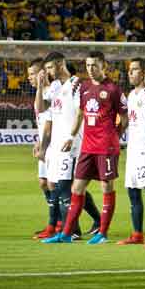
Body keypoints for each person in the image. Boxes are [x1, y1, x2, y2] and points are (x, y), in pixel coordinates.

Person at [62, 51, 127, 245]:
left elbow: (125, 119)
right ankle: (66, 234)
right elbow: (81, 114)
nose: (90, 69)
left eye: (94, 66)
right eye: (88, 65)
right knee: (77, 187)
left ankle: (103, 233)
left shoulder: (114, 89)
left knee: (106, 187)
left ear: (103, 66)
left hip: (106, 147)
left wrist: (114, 136)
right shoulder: (85, 87)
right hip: (87, 147)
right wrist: (71, 137)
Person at [39, 52, 100, 243]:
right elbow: (40, 108)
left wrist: (72, 137)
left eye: (49, 68)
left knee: (66, 187)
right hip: (57, 146)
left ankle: (70, 232)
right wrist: (40, 86)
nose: (48, 72)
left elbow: (81, 113)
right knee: (61, 187)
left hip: (71, 145)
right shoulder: (56, 87)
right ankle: (69, 230)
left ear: (59, 64)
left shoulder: (76, 85)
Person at [120, 59, 145, 245]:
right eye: (129, 70)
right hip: (133, 150)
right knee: (132, 190)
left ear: (144, 72)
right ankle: (137, 234)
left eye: (134, 70)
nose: (130, 73)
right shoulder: (131, 95)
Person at [27, 58, 57, 238]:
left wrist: (43, 148)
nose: (29, 77)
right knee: (44, 183)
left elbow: (49, 125)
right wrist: (39, 142)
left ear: (42, 74)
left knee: (60, 186)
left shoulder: (51, 92)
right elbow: (42, 122)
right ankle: (56, 223)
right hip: (45, 142)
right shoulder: (41, 92)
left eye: (32, 74)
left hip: (54, 145)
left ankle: (57, 224)